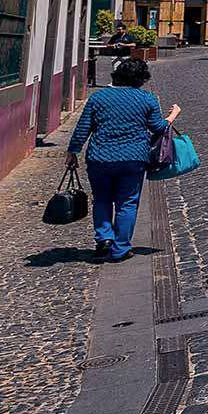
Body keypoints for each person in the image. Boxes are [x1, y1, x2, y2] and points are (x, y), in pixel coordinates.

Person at [66, 57, 179, 261]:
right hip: (133, 158)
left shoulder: (98, 98)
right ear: (141, 79)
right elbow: (158, 128)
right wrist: (172, 116)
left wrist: (73, 151)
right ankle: (120, 248)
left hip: (100, 157)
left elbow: (83, 128)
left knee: (101, 199)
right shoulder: (147, 99)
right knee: (127, 202)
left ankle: (104, 239)